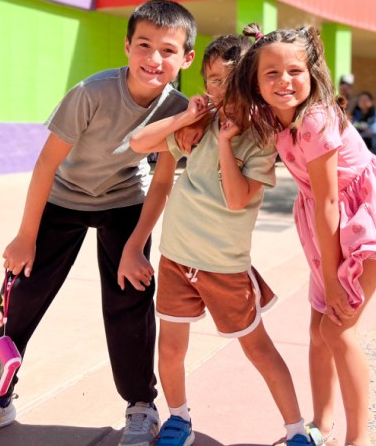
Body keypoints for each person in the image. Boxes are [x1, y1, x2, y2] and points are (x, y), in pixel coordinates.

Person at [0, 0, 197, 446]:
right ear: (128, 46)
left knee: (128, 299)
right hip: (63, 198)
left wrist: (135, 246)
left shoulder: (179, 107)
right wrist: (25, 235)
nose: (154, 59)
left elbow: (162, 182)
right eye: (145, 45)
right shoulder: (92, 93)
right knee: (22, 296)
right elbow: (46, 164)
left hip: (124, 203)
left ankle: (140, 406)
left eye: (168, 50)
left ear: (186, 58)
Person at [226, 24, 376, 446]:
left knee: (337, 329)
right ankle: (323, 424)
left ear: (311, 74)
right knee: (317, 331)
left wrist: (333, 280)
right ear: (255, 83)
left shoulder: (315, 119)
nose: (284, 81)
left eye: (295, 70)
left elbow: (331, 201)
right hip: (326, 222)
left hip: (362, 214)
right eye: (271, 73)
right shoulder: (270, 118)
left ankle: (359, 440)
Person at [125, 34, 315, 446]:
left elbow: (235, 199)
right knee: (171, 350)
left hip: (225, 267)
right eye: (211, 79)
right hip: (176, 258)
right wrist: (183, 118)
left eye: (229, 80)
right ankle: (178, 419)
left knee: (259, 351)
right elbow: (137, 144)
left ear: (248, 82)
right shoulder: (199, 125)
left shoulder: (261, 139)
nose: (219, 89)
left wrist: (227, 142)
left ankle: (297, 431)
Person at [351, 91, 376, 157]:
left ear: (371, 102)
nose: (363, 102)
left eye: (365, 100)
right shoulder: (355, 114)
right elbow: (350, 126)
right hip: (358, 144)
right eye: (361, 100)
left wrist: (361, 128)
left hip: (373, 144)